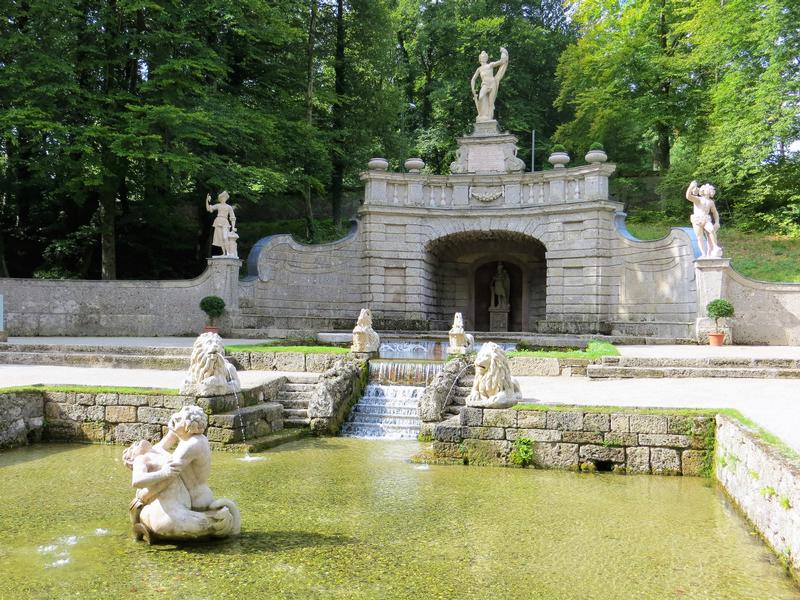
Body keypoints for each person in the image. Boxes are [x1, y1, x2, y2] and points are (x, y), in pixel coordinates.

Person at [470, 48, 509, 123]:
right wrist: (473, 89)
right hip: (485, 84)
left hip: (492, 84)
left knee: (491, 102)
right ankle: (482, 115)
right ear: (480, 59)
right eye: (482, 57)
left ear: (487, 58)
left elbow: (501, 62)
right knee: (481, 97)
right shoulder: (479, 69)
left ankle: (489, 117)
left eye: (485, 57)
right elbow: (473, 79)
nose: (483, 58)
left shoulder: (490, 65)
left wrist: (504, 53)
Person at [686, 180, 722, 258]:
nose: (709, 190)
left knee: (711, 230)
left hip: (706, 219)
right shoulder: (698, 199)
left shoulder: (711, 202)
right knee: (700, 237)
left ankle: (715, 247)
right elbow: (688, 196)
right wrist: (691, 186)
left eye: (710, 189)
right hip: (697, 219)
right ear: (703, 190)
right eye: (707, 189)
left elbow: (715, 213)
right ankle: (704, 254)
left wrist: (717, 222)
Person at [205, 191, 237, 256]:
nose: (224, 198)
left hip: (225, 222)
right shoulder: (218, 205)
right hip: (218, 221)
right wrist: (207, 200)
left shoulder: (229, 207)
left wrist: (233, 227)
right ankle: (224, 253)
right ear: (220, 198)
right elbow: (208, 209)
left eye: (225, 197)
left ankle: (228, 253)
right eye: (222, 197)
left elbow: (232, 217)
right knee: (220, 239)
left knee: (225, 238)